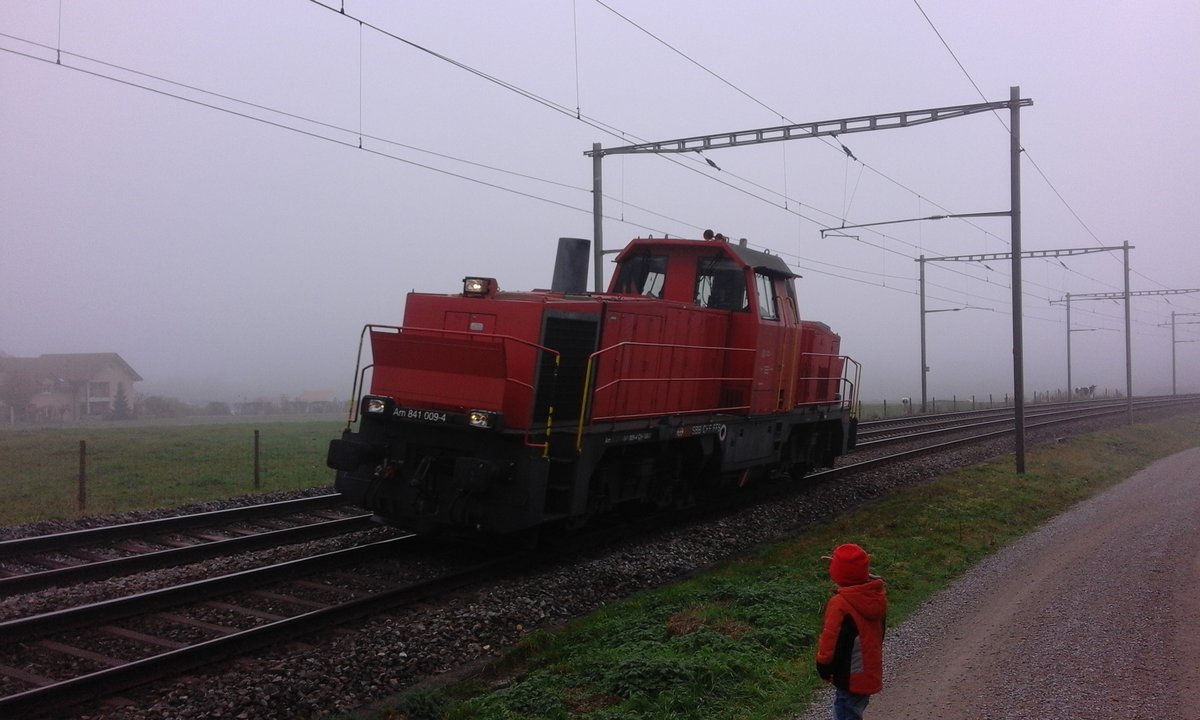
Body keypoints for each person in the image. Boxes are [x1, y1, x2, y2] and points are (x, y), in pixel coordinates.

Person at [815, 543, 887, 720]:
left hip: (849, 676)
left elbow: (830, 640)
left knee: (844, 713)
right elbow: (879, 635)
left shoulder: (840, 604)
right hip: (869, 671)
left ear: (839, 574)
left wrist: (824, 667)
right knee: (853, 711)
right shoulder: (874, 596)